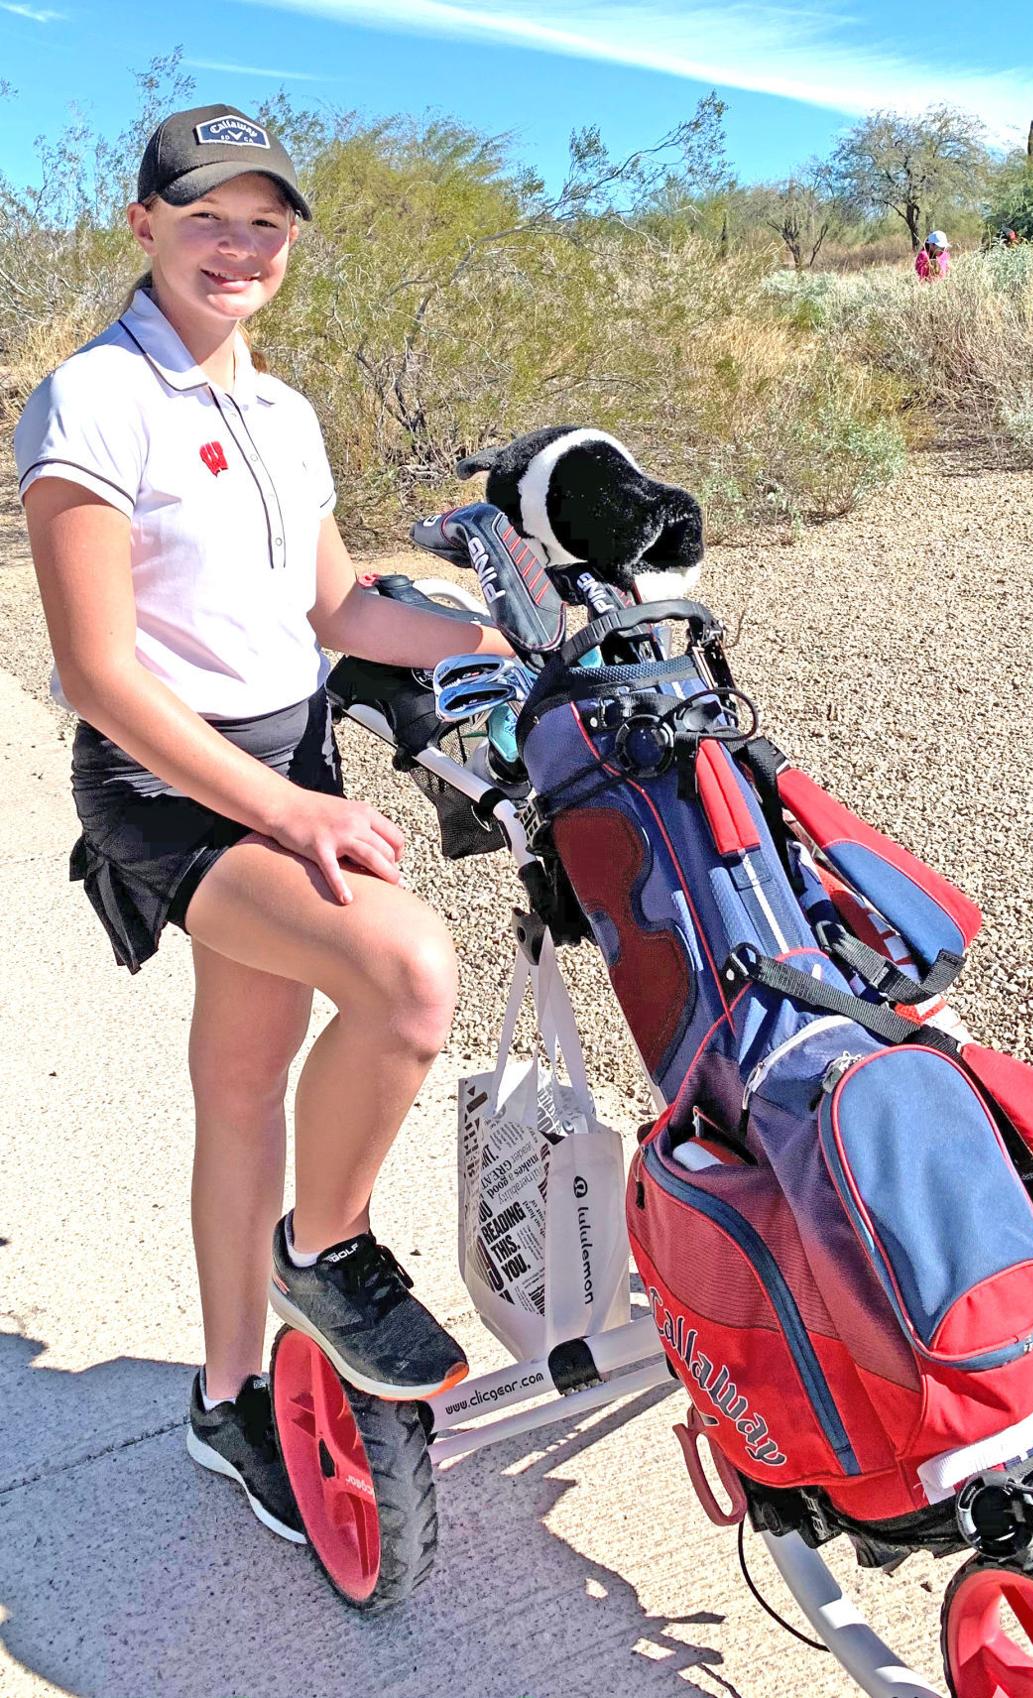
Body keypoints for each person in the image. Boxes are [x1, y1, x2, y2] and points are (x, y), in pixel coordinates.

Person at [13, 105, 513, 1543]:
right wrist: (293, 811)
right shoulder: (94, 400)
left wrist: (502, 631)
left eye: (266, 222)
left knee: (242, 1089)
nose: (239, 247)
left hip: (288, 759)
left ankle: (227, 1400)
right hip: (172, 789)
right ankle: (327, 1246)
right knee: (408, 973)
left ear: (292, 238)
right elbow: (101, 669)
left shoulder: (281, 412)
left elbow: (341, 611)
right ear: (144, 225)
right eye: (208, 217)